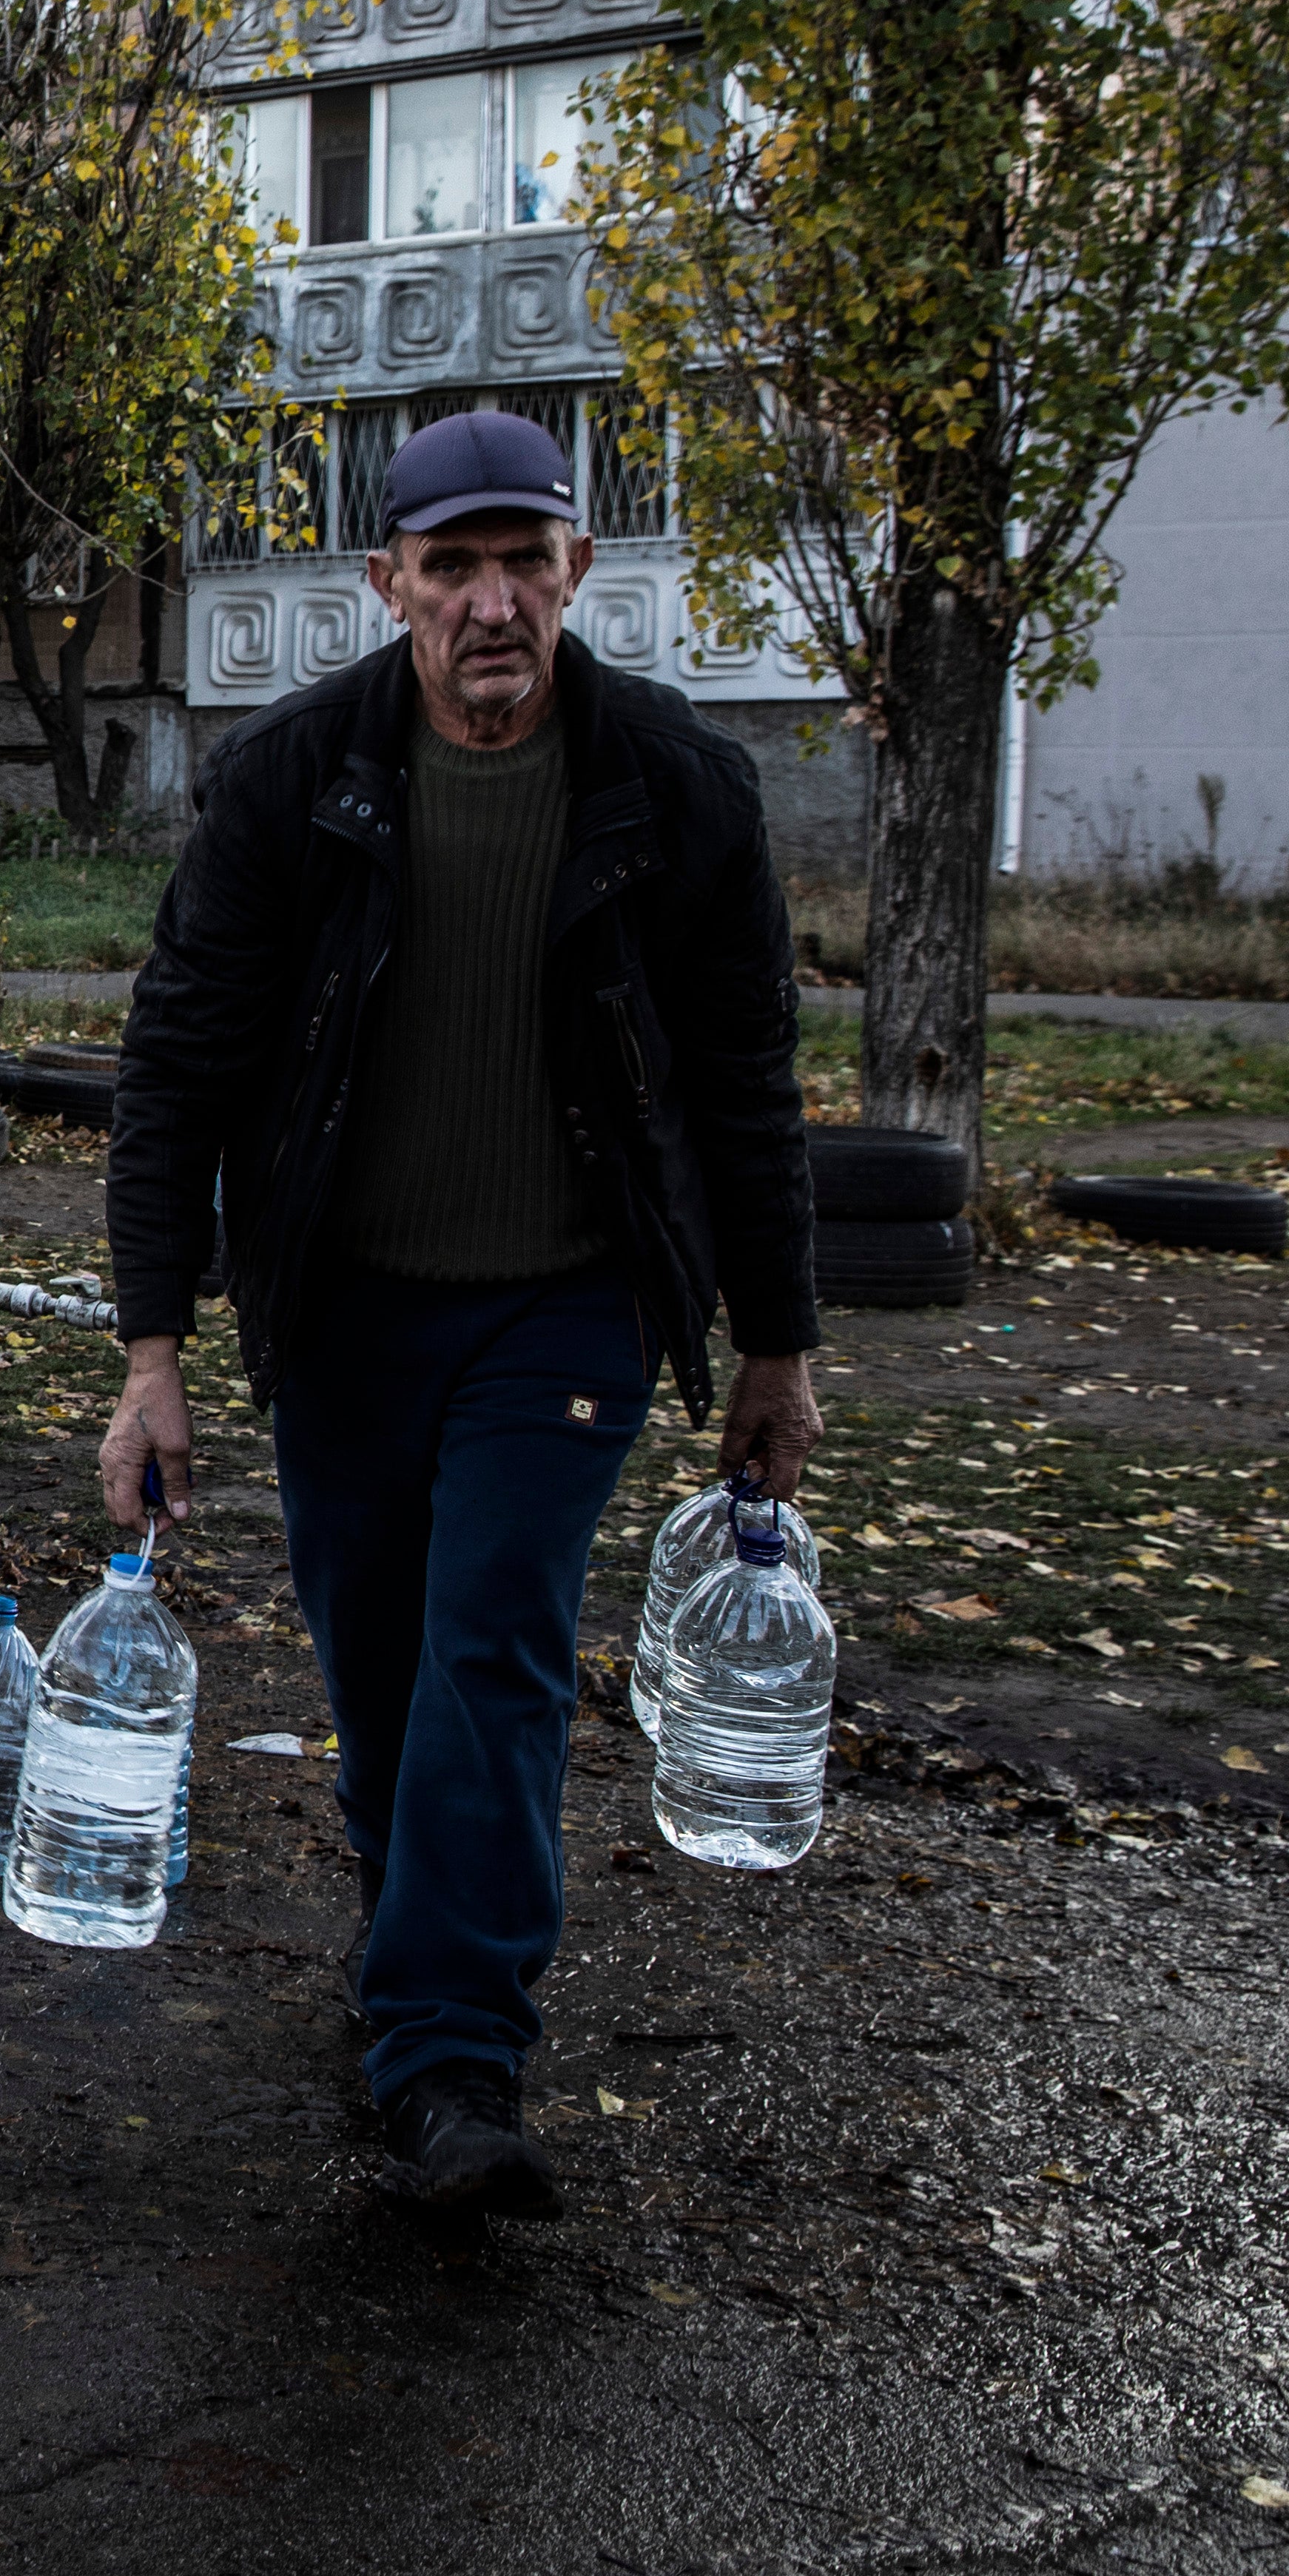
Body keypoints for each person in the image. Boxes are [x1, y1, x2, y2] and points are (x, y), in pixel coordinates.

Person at [102, 404, 820, 2219]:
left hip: (566, 1311)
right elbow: (176, 1067)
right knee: (377, 1664)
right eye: (454, 566)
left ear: (579, 568)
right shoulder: (290, 782)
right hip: (340, 1305)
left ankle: (448, 2059)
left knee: (494, 1642)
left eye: (527, 560)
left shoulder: (680, 789)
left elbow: (744, 1080)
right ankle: (409, 1908)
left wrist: (778, 1341)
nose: (494, 602)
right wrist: (152, 1359)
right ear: (390, 584)